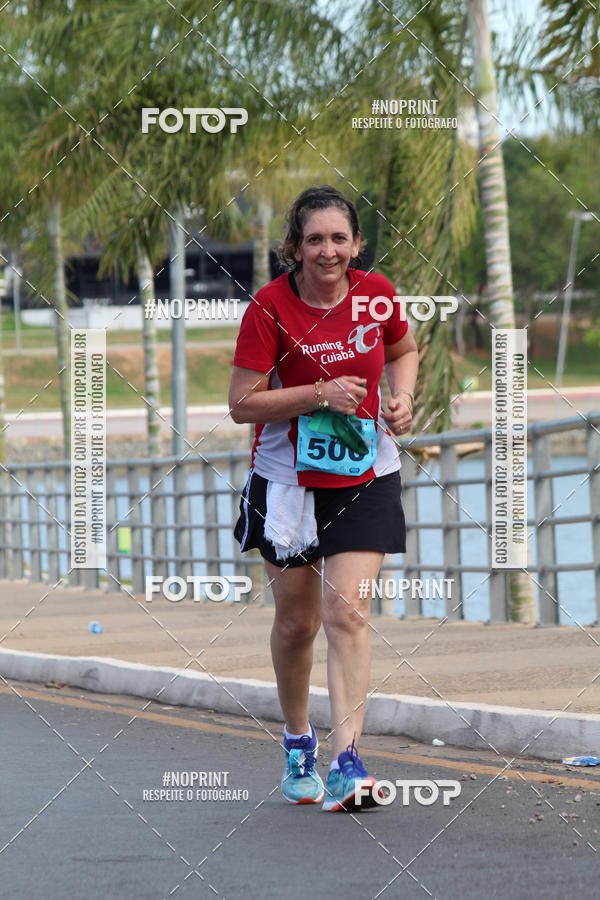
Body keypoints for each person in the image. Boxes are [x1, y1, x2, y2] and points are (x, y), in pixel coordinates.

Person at [229, 185, 418, 812]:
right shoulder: (269, 307)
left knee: (348, 613)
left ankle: (348, 759)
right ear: (296, 247)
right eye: (315, 239)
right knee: (297, 622)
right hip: (287, 480)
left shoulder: (377, 294)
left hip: (365, 471)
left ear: (356, 244)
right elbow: (241, 404)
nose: (328, 250)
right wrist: (315, 395)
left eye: (340, 238)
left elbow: (403, 349)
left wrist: (403, 397)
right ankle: (296, 740)